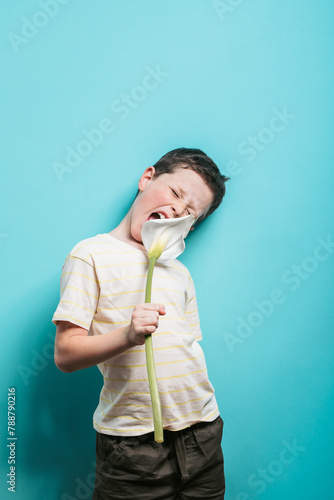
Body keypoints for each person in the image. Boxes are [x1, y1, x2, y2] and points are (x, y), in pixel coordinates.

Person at [52, 147, 229, 499]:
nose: (179, 209)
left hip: (203, 433)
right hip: (133, 448)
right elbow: (65, 354)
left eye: (190, 213)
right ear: (147, 178)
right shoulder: (90, 255)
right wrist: (129, 335)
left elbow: (187, 348)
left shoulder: (179, 272)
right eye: (176, 193)